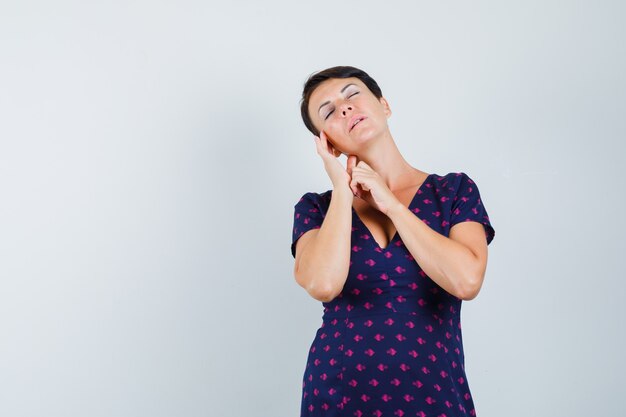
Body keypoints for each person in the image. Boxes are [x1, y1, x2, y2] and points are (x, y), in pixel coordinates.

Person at [291, 66, 495, 417]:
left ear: (384, 105)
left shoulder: (453, 191)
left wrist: (391, 204)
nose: (343, 108)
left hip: (435, 397)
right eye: (328, 111)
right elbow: (323, 283)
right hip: (337, 398)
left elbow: (466, 280)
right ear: (329, 143)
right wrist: (342, 189)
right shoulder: (317, 208)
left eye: (352, 94)